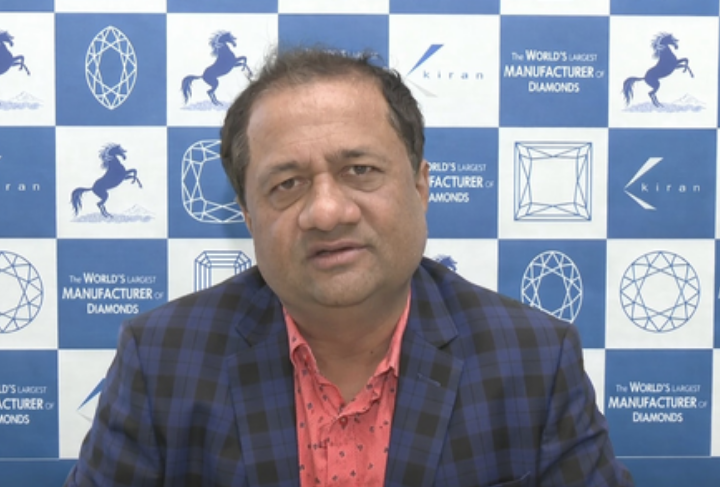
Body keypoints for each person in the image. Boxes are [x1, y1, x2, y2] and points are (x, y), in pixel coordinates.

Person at [64, 48, 634, 487]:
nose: (327, 211)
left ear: (420, 186)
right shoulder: (161, 359)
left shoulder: (535, 359)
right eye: (287, 184)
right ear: (248, 216)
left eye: (359, 170)